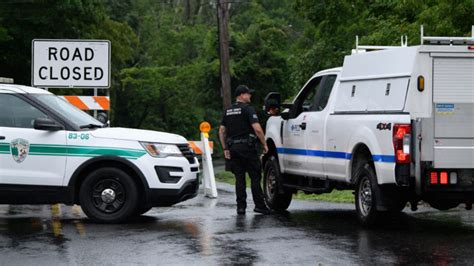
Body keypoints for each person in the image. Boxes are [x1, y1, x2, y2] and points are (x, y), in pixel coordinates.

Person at [219, 85, 272, 215]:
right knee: (255, 177)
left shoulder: (228, 110)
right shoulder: (248, 109)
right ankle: (259, 206)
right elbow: (257, 129)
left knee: (239, 178)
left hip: (233, 149)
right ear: (241, 95)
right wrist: (264, 144)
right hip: (247, 149)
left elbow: (222, 130)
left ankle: (241, 207)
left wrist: (225, 147)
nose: (250, 96)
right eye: (248, 94)